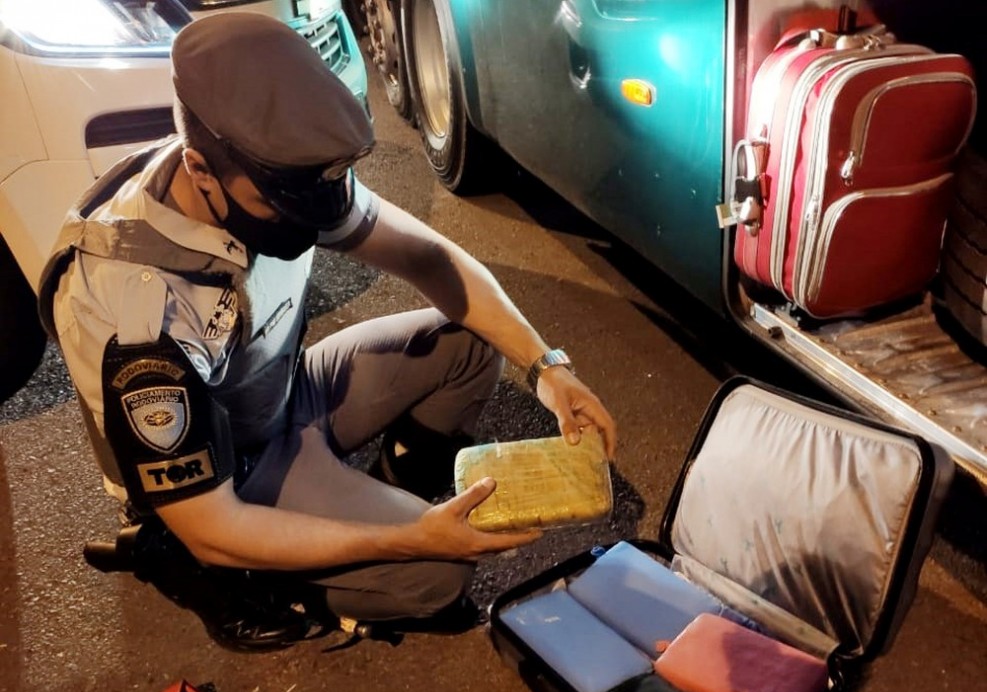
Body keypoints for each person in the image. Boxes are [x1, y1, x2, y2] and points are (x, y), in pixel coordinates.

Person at [37, 13, 616, 650]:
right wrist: (411, 538)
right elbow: (212, 523)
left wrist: (547, 367)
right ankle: (227, 574)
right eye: (280, 203)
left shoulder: (270, 172)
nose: (307, 218)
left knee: (476, 342)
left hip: (280, 386)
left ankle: (391, 489)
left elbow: (430, 259)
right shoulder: (137, 316)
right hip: (224, 472)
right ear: (199, 170)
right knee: (438, 574)